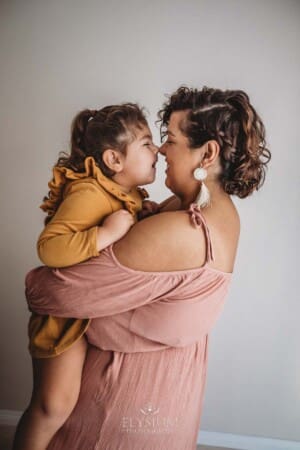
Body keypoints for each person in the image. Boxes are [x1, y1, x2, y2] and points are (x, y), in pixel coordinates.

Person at [21, 86, 271, 449]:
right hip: (168, 400)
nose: (161, 149)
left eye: (170, 138)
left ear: (208, 153)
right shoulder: (209, 212)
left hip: (123, 408)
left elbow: (46, 290)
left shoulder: (182, 231)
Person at [13, 103, 163, 450]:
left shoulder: (128, 195)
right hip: (62, 318)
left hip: (90, 310)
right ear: (114, 161)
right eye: (146, 143)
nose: (156, 150)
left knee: (76, 405)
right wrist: (105, 234)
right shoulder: (88, 193)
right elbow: (49, 248)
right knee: (53, 406)